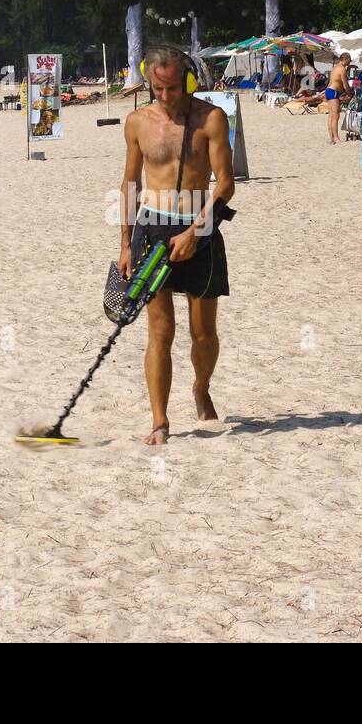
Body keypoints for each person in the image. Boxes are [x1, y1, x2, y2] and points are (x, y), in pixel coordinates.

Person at [120, 46, 234, 445]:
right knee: (160, 331)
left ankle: (201, 386)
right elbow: (130, 184)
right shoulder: (137, 122)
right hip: (152, 228)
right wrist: (125, 244)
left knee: (203, 333)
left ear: (187, 80)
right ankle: (160, 418)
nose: (165, 97)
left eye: (172, 88)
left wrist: (194, 232)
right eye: (156, 88)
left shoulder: (211, 119)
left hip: (198, 229)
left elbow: (225, 183)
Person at [323, 53, 352, 144]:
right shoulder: (342, 69)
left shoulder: (335, 67)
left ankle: (331, 138)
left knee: (331, 116)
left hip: (329, 90)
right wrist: (349, 93)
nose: (350, 62)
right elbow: (345, 84)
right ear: (345, 59)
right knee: (335, 116)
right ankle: (336, 138)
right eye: (349, 60)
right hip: (333, 92)